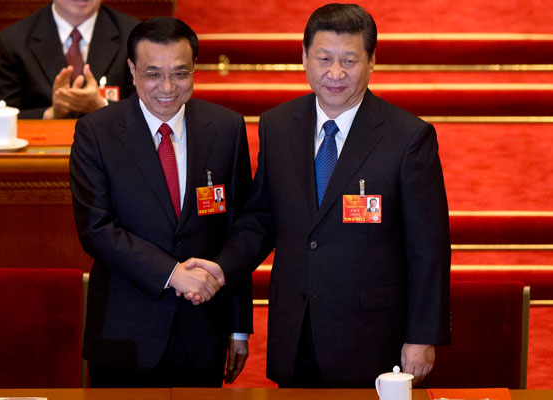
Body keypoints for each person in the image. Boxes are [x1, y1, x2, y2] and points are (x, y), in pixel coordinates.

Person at [185, 3, 451, 388]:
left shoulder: (408, 138)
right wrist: (223, 266)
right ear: (304, 58)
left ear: (372, 62)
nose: (335, 73)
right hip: (296, 330)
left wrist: (423, 335)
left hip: (371, 338)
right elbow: (261, 218)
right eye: (324, 58)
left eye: (349, 60)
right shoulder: (278, 126)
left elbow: (429, 248)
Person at [69, 17, 253, 387]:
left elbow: (240, 230)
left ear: (194, 70)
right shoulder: (97, 132)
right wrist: (172, 274)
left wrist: (238, 328)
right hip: (125, 328)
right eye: (153, 74)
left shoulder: (226, 128)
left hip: (202, 329)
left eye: (180, 73)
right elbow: (97, 229)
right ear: (133, 71)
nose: (167, 87)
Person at [0, 0, 138, 119]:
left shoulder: (134, 36)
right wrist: (51, 114)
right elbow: (0, 113)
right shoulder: (15, 40)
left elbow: (149, 110)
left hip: (111, 149)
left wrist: (102, 105)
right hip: (40, 150)